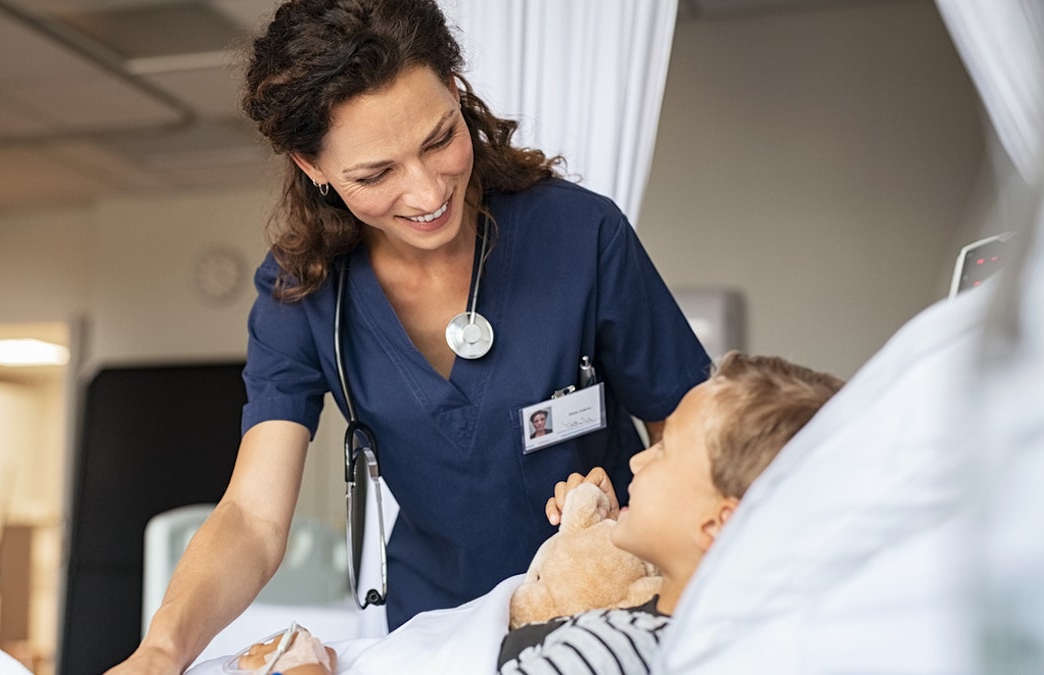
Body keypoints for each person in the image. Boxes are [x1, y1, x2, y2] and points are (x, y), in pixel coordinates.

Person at [109, 0, 708, 671]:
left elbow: (697, 442)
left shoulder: (580, 237)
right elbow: (253, 516)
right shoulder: (303, 293)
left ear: (455, 91)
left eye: (438, 138)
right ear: (313, 167)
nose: (426, 193)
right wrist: (160, 649)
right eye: (375, 174)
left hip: (606, 616)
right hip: (438, 634)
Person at [499, 351, 845, 673]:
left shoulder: (605, 651)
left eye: (664, 450)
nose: (636, 460)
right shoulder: (677, 628)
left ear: (716, 526)